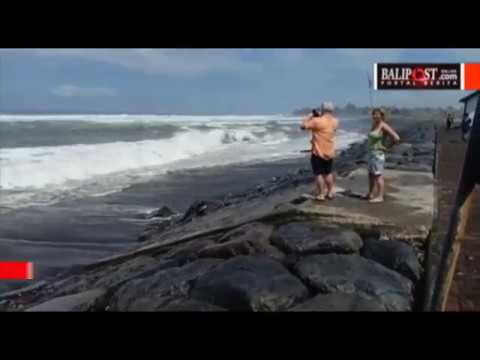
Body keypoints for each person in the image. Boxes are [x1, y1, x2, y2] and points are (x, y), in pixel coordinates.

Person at [301, 102, 339, 201]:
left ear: (322, 109)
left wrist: (309, 116)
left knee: (318, 174)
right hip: (330, 151)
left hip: (318, 152)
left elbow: (303, 126)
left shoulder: (316, 121)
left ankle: (321, 194)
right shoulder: (335, 121)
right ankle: (330, 192)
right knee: (328, 173)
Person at [365, 108, 400, 203]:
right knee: (371, 175)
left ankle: (380, 196)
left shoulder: (383, 125)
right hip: (371, 153)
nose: (374, 116)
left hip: (378, 154)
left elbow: (396, 138)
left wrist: (388, 147)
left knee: (378, 176)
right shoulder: (374, 125)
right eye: (373, 114)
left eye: (377, 114)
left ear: (382, 115)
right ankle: (370, 193)